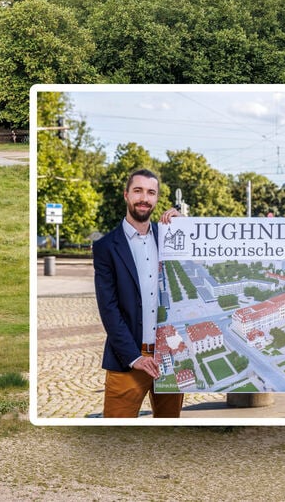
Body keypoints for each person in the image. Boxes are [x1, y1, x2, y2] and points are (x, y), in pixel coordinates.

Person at [93, 168, 184, 418]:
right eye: (138, 191)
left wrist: (185, 226)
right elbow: (108, 309)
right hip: (127, 360)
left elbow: (200, 256)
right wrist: (134, 357)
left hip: (169, 357)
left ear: (156, 198)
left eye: (151, 192)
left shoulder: (171, 237)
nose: (144, 198)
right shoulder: (105, 247)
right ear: (126, 195)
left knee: (169, 434)